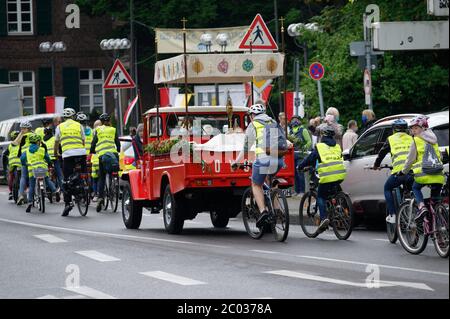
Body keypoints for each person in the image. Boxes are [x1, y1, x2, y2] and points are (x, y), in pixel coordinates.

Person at [231, 102, 292, 228]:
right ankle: (276, 209)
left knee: (256, 184)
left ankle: (263, 211)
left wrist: (236, 162)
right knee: (270, 180)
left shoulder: (253, 125)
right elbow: (283, 141)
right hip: (279, 159)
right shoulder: (273, 122)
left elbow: (246, 148)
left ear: (252, 115)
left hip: (264, 160)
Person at [298, 124, 347, 234]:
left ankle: (324, 218)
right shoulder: (337, 146)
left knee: (321, 196)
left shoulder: (320, 147)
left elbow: (310, 158)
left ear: (323, 136)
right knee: (334, 191)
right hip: (340, 175)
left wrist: (300, 166)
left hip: (327, 175)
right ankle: (339, 207)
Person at [401, 115, 445, 220]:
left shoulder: (416, 141)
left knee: (415, 188)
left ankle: (421, 207)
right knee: (435, 200)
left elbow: (410, 160)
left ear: (423, 128)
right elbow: (441, 156)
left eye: (416, 128)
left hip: (423, 175)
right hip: (438, 175)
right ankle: (439, 221)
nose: (413, 131)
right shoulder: (434, 139)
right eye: (412, 128)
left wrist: (404, 171)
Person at [372, 119, 414, 224]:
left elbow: (382, 153)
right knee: (412, 189)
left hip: (399, 172)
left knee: (387, 188)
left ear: (394, 130)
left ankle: (392, 215)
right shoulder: (412, 138)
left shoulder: (391, 139)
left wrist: (376, 165)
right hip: (413, 171)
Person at [54, 108, 86, 216]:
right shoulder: (79, 125)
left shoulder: (59, 127)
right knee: (84, 172)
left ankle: (68, 203)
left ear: (63, 117)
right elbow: (83, 140)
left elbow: (56, 142)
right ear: (73, 116)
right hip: (81, 153)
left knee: (66, 180)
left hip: (68, 155)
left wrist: (56, 153)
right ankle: (85, 184)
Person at [90, 113, 120, 212]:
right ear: (109, 121)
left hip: (102, 156)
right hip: (113, 154)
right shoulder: (113, 129)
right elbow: (117, 142)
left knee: (102, 177)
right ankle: (115, 186)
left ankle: (101, 198)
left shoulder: (98, 130)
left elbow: (94, 142)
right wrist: (118, 150)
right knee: (114, 170)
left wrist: (92, 151)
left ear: (101, 122)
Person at [21, 134, 58, 213]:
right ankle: (55, 191)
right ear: (38, 142)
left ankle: (30, 202)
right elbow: (47, 158)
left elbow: (22, 159)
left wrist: (25, 164)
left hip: (32, 170)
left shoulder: (26, 151)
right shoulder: (42, 149)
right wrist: (50, 163)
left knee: (32, 186)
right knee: (47, 180)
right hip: (42, 169)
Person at [288, 115, 312, 196]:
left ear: (299, 120)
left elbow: (309, 142)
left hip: (301, 155)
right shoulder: (290, 131)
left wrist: (304, 148)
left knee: (300, 172)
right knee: (294, 173)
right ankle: (296, 191)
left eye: (296, 119)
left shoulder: (303, 130)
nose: (294, 121)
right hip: (292, 155)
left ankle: (302, 191)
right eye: (293, 119)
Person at [14, 121, 34, 205]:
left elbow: (15, 143)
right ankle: (31, 196)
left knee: (23, 176)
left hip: (25, 157)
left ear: (27, 129)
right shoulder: (34, 135)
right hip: (33, 157)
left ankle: (21, 195)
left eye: (23, 128)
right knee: (31, 177)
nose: (22, 130)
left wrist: (20, 134)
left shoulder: (22, 136)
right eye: (21, 128)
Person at [43, 126, 63, 198]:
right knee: (60, 175)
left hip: (46, 160)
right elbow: (60, 148)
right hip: (55, 158)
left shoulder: (42, 141)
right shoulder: (55, 138)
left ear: (44, 133)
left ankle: (48, 188)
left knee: (46, 176)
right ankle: (63, 191)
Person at [4, 131, 21, 200]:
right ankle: (23, 192)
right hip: (20, 164)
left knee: (10, 176)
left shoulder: (11, 145)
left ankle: (11, 192)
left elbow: (5, 154)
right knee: (23, 177)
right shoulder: (22, 144)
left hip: (11, 164)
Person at [89, 120, 102, 202]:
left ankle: (95, 193)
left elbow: (92, 144)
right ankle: (100, 193)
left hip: (94, 159)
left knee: (94, 178)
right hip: (101, 157)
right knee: (101, 177)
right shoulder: (103, 131)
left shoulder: (93, 132)